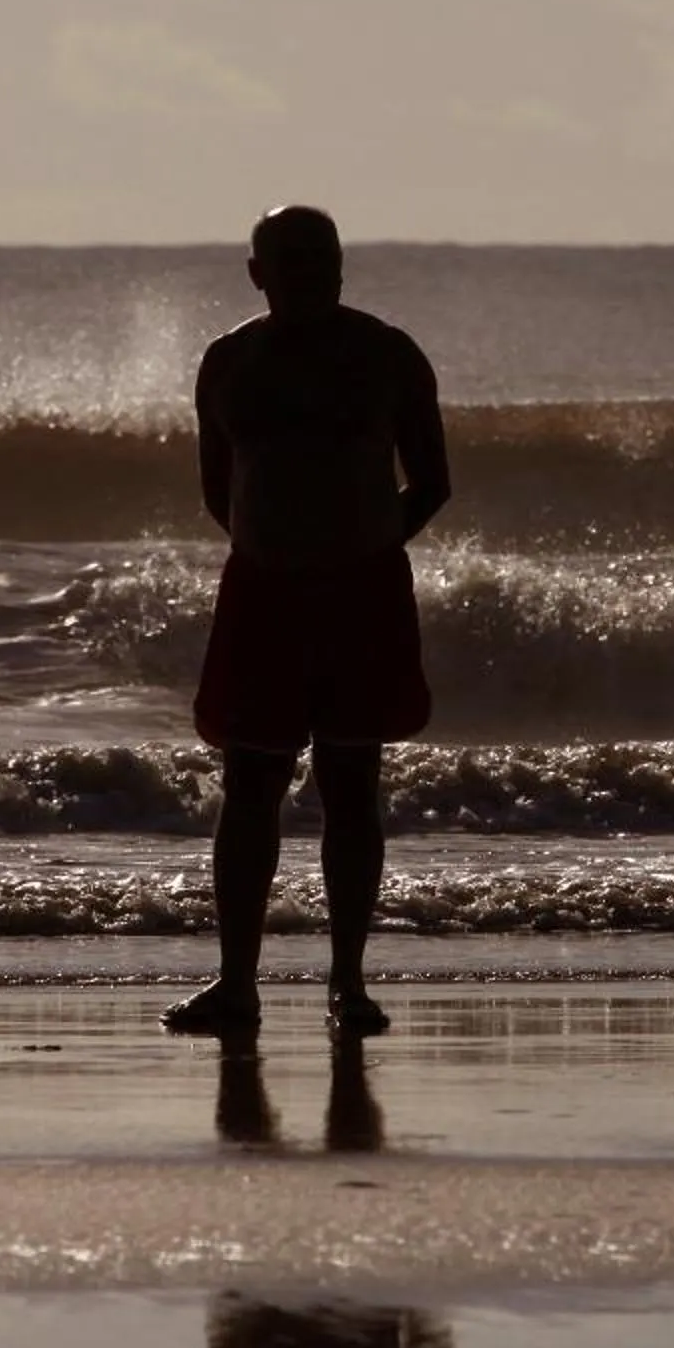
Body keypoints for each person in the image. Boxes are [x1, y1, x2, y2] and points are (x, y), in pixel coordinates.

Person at [167, 205, 449, 1039]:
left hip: (364, 593)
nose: (308, 271)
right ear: (257, 272)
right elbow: (219, 489)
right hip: (263, 594)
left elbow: (432, 482)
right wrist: (277, 547)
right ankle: (236, 986)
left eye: (321, 255)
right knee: (249, 787)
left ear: (342, 263)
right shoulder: (229, 361)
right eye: (289, 258)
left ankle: (348, 985)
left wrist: (360, 546)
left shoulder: (386, 355)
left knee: (351, 784)